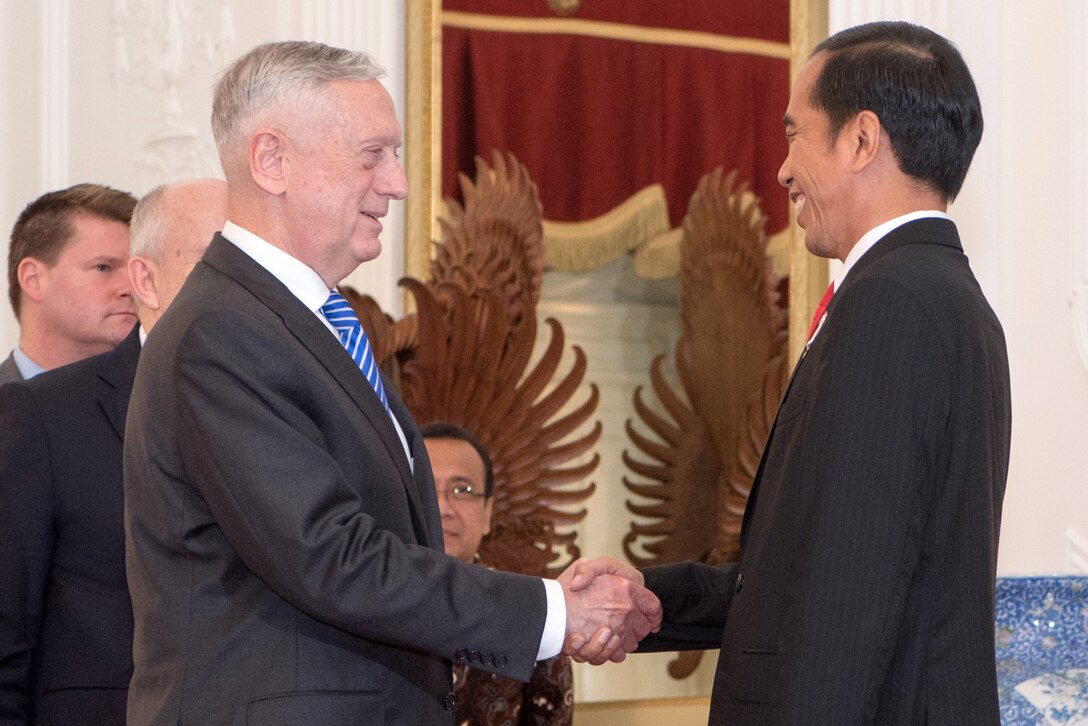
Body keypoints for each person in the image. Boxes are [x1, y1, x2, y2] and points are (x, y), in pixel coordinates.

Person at [122, 40, 660, 726]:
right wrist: (557, 610)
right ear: (271, 160)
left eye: (396, 155)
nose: (399, 183)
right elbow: (333, 557)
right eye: (371, 155)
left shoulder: (299, 322)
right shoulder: (223, 332)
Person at [571, 21, 1012, 724]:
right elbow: (806, 578)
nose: (781, 169)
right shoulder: (937, 297)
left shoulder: (892, 305)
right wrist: (652, 600)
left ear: (861, 140)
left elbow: (845, 608)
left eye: (793, 132)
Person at [0, 178, 228, 726]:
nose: (126, 285)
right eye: (104, 267)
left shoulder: (208, 397)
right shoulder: (32, 416)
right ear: (32, 278)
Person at [422, 423, 574, 725]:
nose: (442, 507)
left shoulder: (532, 613)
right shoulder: (363, 602)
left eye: (461, 490)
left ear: (487, 512)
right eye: (425, 488)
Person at [1, 183, 137, 383]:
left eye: (139, 272)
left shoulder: (161, 406)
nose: (132, 288)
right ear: (34, 280)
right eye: (103, 268)